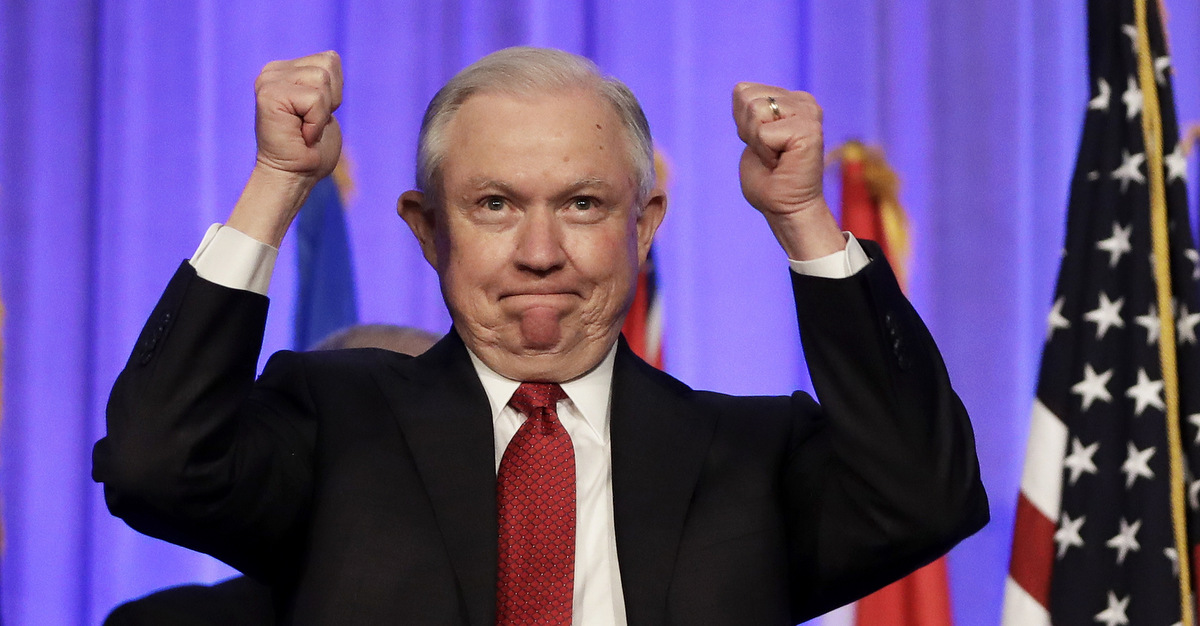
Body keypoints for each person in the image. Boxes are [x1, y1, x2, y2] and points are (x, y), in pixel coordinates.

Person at [93, 47, 987, 625]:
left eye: (584, 204)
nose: (540, 252)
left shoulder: (747, 456)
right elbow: (156, 462)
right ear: (426, 229)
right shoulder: (335, 425)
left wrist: (801, 218)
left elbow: (924, 493)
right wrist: (278, 182)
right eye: (494, 205)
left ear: (643, 227)